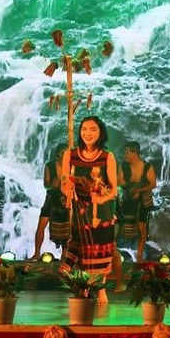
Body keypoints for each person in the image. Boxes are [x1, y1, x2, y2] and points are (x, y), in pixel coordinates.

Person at [60, 116, 118, 306]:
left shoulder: (107, 157)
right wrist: (67, 190)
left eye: (93, 129)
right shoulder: (70, 154)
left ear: (100, 132)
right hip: (79, 207)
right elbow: (65, 182)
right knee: (83, 248)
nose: (88, 133)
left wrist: (101, 198)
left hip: (102, 209)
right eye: (84, 129)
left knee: (99, 251)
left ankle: (101, 291)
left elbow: (114, 189)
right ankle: (83, 287)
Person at [116, 142, 156, 263]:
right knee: (121, 226)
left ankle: (139, 254)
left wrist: (139, 189)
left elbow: (153, 184)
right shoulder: (123, 166)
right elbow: (120, 182)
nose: (125, 154)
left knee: (142, 227)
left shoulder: (147, 167)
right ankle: (116, 253)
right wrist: (131, 186)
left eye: (127, 151)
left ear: (135, 153)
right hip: (127, 201)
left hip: (143, 201)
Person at [30, 143, 70, 260]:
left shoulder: (71, 167)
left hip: (66, 201)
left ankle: (64, 255)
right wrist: (52, 185)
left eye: (67, 152)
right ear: (58, 154)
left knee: (67, 228)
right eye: (63, 152)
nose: (65, 154)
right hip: (52, 199)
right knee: (41, 224)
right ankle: (37, 253)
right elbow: (46, 184)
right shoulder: (50, 166)